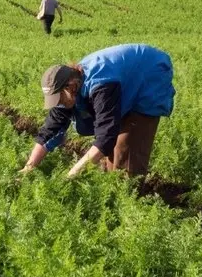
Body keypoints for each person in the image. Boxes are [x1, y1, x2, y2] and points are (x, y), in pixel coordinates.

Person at [19, 44, 175, 179]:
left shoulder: (101, 86)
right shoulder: (71, 88)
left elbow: (105, 137)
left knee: (126, 151)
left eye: (58, 99)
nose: (58, 104)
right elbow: (49, 131)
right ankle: (112, 185)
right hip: (124, 80)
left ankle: (126, 196)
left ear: (70, 87)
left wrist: (72, 174)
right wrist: (29, 168)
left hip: (149, 76)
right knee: (112, 149)